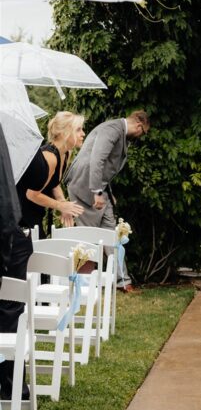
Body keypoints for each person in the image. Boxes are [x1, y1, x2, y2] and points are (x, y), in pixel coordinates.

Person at [0, 111, 84, 397]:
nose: (83, 134)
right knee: (13, 304)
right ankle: (12, 385)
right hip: (20, 224)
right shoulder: (48, 156)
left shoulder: (63, 156)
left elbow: (52, 184)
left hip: (24, 226)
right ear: (63, 133)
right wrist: (60, 208)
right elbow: (32, 193)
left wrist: (62, 202)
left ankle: (12, 381)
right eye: (79, 130)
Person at [68, 110, 151, 291]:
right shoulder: (113, 129)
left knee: (110, 235)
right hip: (84, 186)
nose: (140, 136)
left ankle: (122, 281)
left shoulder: (119, 132)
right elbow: (97, 159)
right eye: (142, 132)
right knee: (87, 236)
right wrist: (97, 191)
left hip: (99, 188)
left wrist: (107, 191)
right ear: (139, 125)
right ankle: (83, 285)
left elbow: (105, 168)